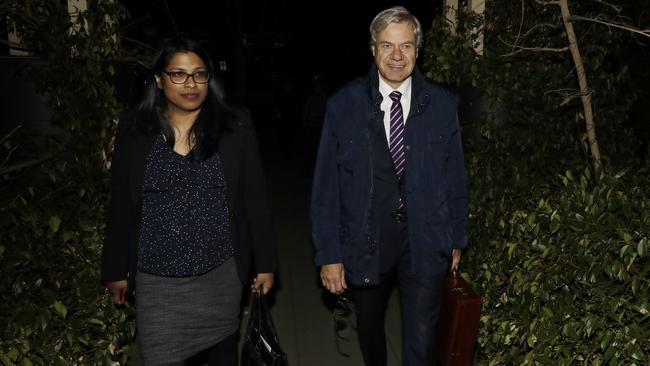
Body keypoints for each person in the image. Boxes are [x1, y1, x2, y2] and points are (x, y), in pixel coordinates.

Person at [101, 38, 278, 366]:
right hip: (157, 284)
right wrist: (114, 270)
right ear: (159, 80)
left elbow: (255, 199)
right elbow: (122, 206)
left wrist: (265, 263)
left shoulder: (235, 126)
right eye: (178, 75)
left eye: (199, 74)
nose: (191, 84)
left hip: (221, 278)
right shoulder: (135, 128)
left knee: (224, 357)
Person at [310, 6, 468, 366]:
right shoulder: (343, 106)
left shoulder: (442, 105)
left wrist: (457, 237)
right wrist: (329, 254)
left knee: (422, 337)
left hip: (425, 239)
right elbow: (325, 188)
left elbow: (455, 176)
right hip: (365, 239)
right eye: (387, 46)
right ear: (373, 49)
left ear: (417, 50)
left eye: (406, 46)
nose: (397, 56)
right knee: (369, 326)